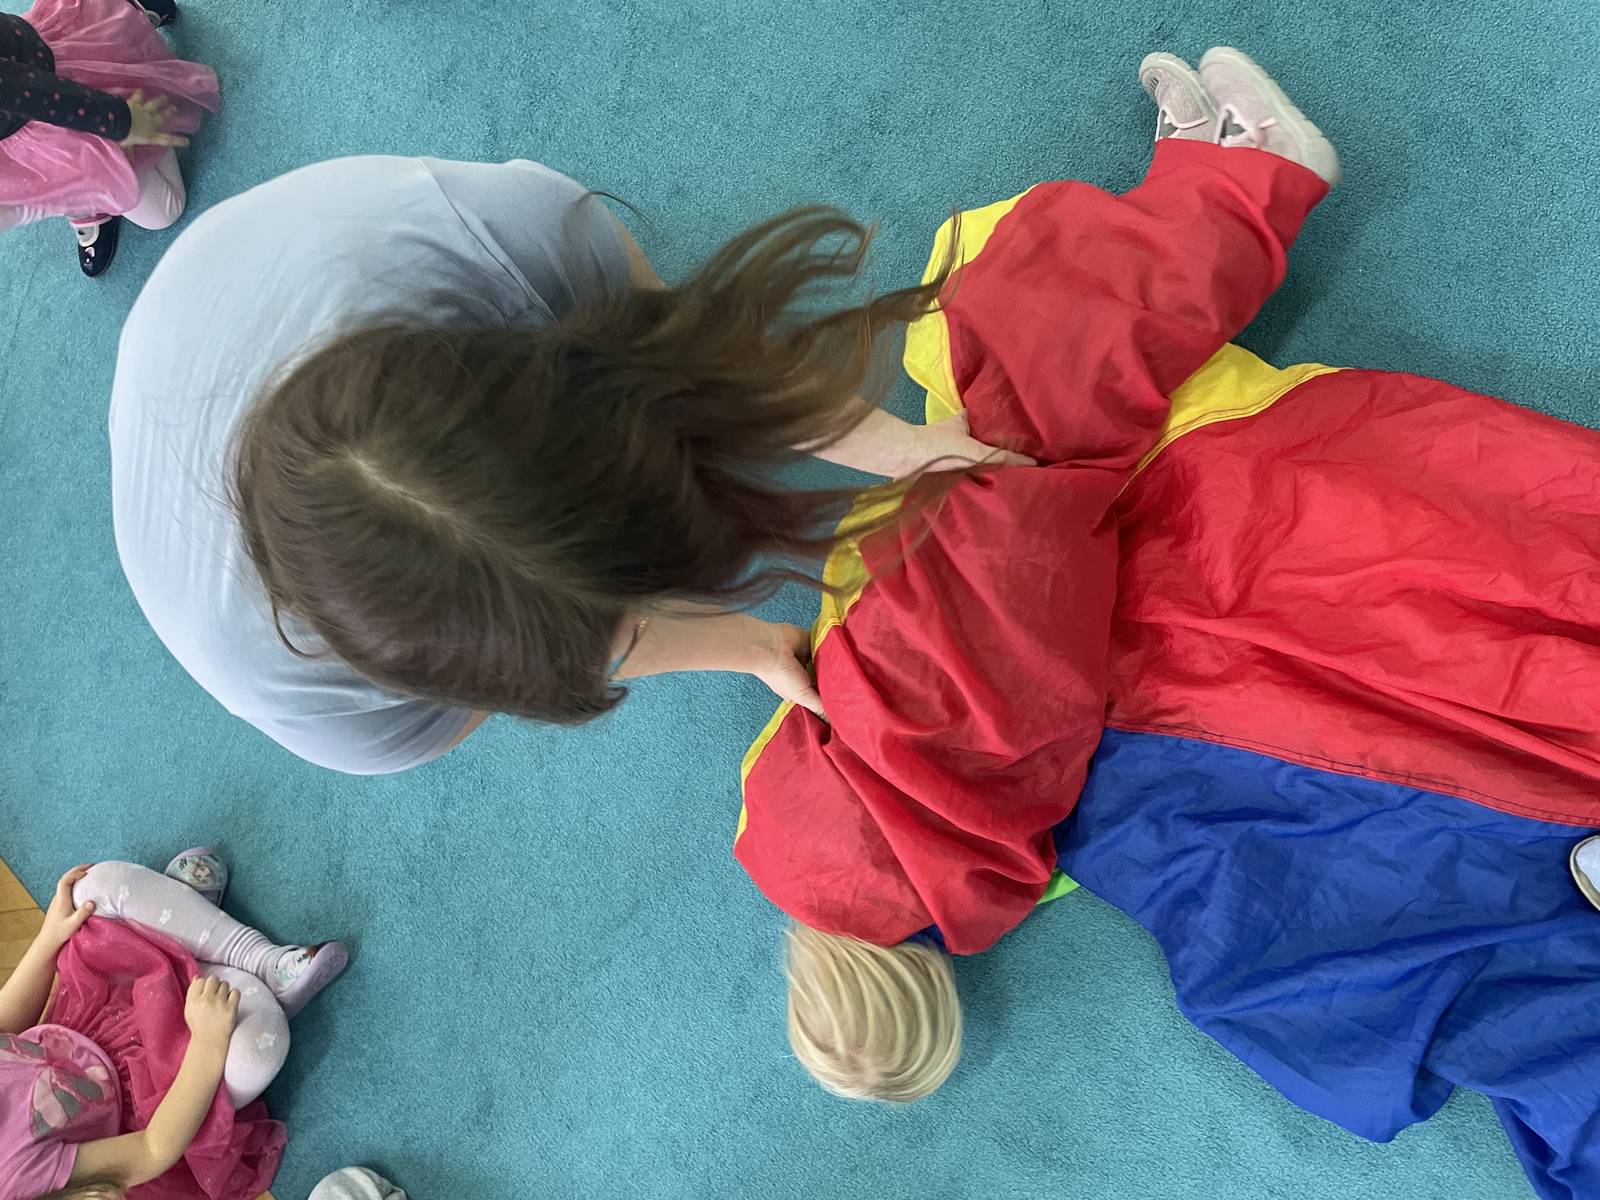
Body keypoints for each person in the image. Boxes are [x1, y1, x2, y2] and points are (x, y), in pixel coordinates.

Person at [737, 46, 1600, 1200]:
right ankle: (1236, 178)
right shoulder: (846, 790)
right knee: (1051, 394)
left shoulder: (963, 856)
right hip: (1166, 552)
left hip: (1172, 633)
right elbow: (1001, 515)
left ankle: (1236, 182)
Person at [110, 143, 1030, 777]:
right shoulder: (346, 719)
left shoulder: (499, 237)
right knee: (554, 618)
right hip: (185, 418)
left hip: (235, 268)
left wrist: (909, 450)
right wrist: (747, 648)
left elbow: (701, 360)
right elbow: (572, 644)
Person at [0, 859, 346, 1200]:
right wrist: (208, 1042)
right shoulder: (19, 1179)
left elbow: (4, 1024)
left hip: (92, 1010)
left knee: (92, 887)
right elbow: (151, 1148)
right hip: (158, 1095)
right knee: (256, 1054)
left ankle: (253, 958)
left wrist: (48, 939)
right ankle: (187, 931)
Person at [0, 0, 217, 276]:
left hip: (52, 93)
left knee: (166, 211)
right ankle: (85, 197)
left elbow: (31, 92)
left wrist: (121, 121)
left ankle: (125, 17)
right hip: (23, 137)